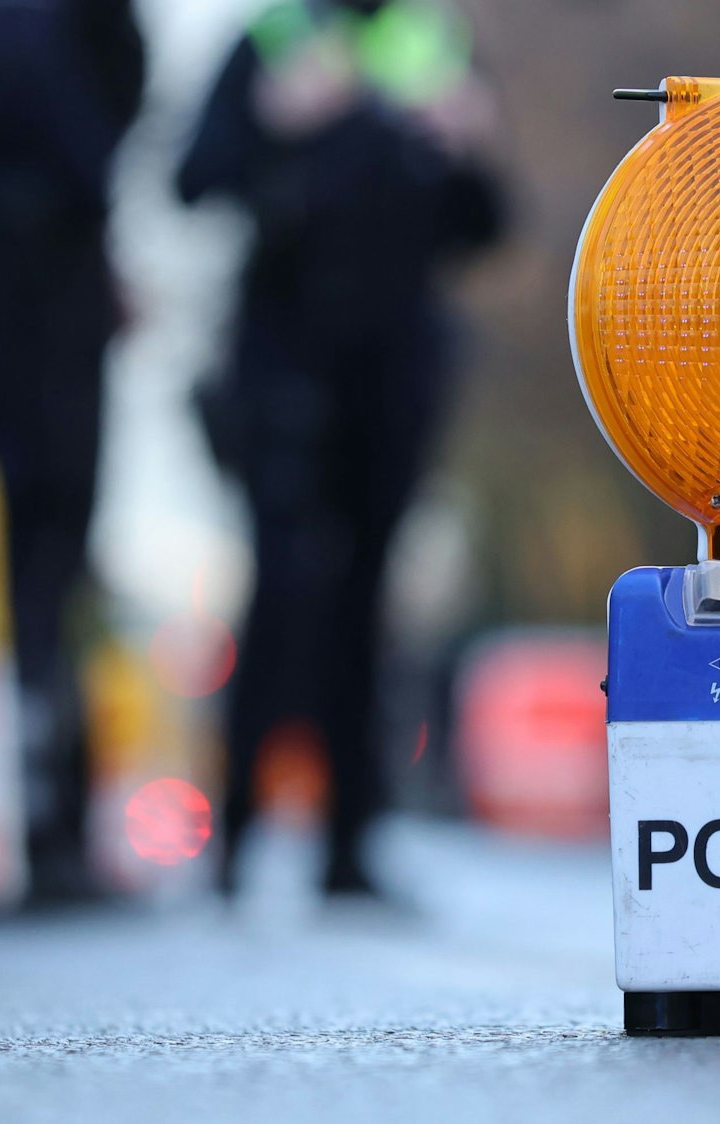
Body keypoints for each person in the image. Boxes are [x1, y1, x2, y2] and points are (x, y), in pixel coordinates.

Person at [177, 0, 503, 897]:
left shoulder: (433, 50)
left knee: (366, 599)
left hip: (394, 373)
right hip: (284, 366)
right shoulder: (271, 43)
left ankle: (349, 845)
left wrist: (468, 145)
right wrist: (276, 125)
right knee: (284, 592)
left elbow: (484, 224)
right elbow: (194, 179)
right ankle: (235, 835)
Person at [0, 0, 146, 901]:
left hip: (13, 281)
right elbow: (89, 98)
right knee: (32, 566)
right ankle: (37, 823)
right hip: (27, 294)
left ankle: (34, 818)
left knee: (26, 572)